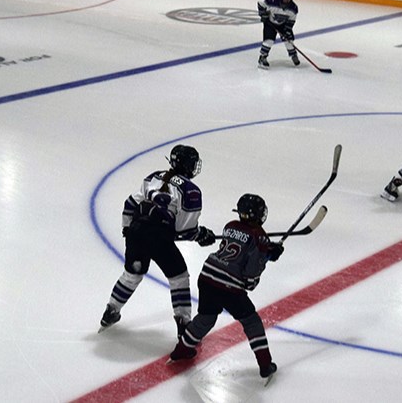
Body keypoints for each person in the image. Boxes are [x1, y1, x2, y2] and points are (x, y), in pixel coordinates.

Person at [98, 145, 217, 336]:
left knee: (132, 274)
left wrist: (128, 230)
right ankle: (184, 325)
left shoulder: (154, 176)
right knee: (178, 278)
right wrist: (201, 235)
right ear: (188, 165)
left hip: (136, 231)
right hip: (158, 237)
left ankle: (110, 312)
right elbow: (184, 230)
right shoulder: (190, 190)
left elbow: (130, 204)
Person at [170, 193, 284, 382]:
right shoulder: (260, 236)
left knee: (206, 317)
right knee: (252, 322)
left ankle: (180, 350)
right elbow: (250, 275)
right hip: (228, 286)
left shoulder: (230, 226)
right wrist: (266, 255)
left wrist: (265, 249)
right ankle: (265, 364)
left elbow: (243, 243)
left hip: (207, 275)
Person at [257, 0, 299, 69]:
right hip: (270, 23)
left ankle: (293, 54)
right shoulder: (272, 2)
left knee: (289, 40)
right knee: (269, 40)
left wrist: (287, 30)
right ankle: (262, 57)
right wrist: (263, 14)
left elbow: (291, 21)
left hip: (283, 25)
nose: (287, 0)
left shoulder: (293, 8)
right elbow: (260, 4)